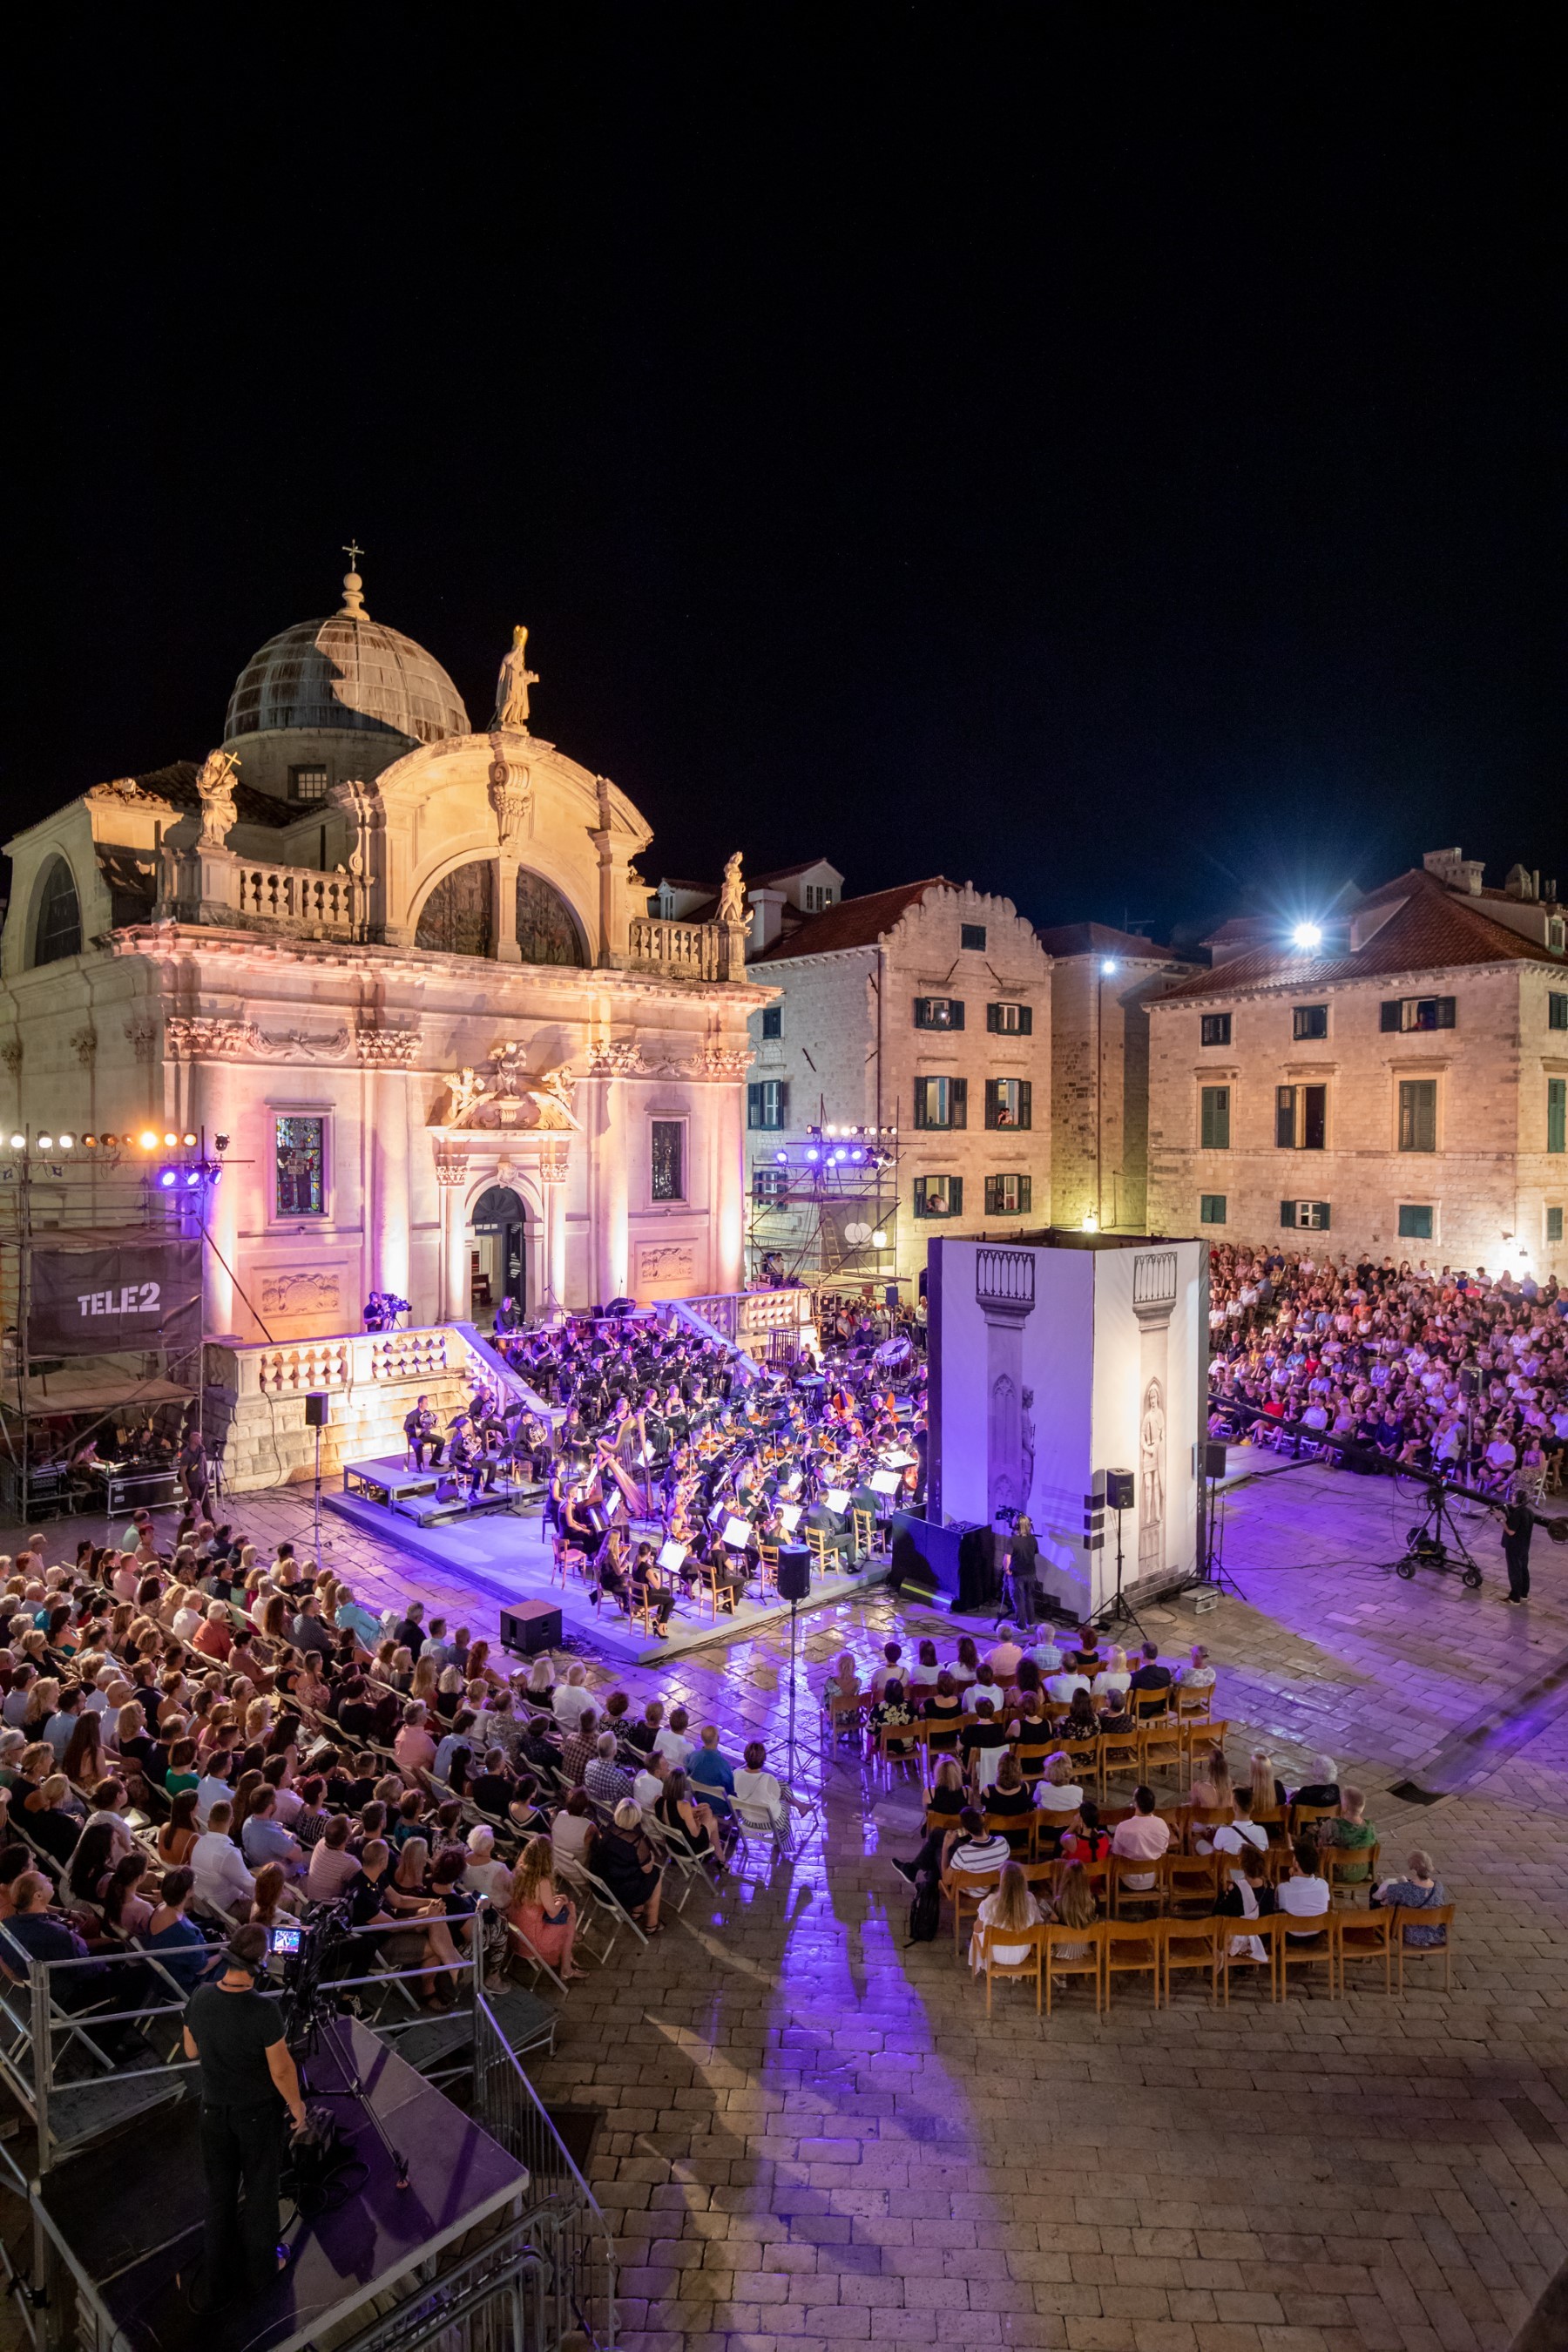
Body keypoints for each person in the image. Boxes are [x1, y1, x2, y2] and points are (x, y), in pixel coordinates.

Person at [182, 1923, 308, 2304]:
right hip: (255, 2115)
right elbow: (282, 2070)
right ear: (261, 1962)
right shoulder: (264, 2010)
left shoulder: (200, 1998)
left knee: (219, 2195)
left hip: (212, 2110)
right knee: (260, 2193)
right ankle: (263, 2271)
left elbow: (191, 2051)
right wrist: (298, 2108)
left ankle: (215, 2279)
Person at [508, 1835, 582, 1979]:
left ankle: (571, 1946)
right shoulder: (542, 1881)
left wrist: (555, 1900)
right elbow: (553, 1913)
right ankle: (566, 1969)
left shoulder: (518, 1870)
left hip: (517, 1929)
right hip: (534, 1937)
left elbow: (533, 1899)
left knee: (566, 1909)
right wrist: (561, 1900)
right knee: (570, 1912)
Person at [970, 1859, 1044, 1975]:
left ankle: (978, 1966)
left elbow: (977, 1928)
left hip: (995, 1955)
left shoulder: (990, 1902)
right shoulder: (1030, 1900)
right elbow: (1038, 1923)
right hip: (1021, 1954)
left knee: (977, 1930)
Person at [1372, 1848, 1450, 1947]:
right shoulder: (1439, 1886)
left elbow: (1379, 1897)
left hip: (1410, 1935)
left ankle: (1379, 1933)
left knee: (1377, 1893)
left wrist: (1380, 1883)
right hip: (1434, 1934)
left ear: (1413, 1871)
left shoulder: (1403, 1889)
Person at [1111, 1784, 1169, 1894]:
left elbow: (1116, 1853)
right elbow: (1163, 1851)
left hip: (1129, 1878)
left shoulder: (1123, 1827)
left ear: (1135, 1804)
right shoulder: (1162, 1825)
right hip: (1153, 1876)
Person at [1320, 1787, 1378, 1883]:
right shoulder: (1370, 1827)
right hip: (1362, 1873)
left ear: (1345, 1807)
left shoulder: (1333, 1825)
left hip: (1337, 1873)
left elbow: (1322, 1845)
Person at [1274, 1839, 1331, 1936]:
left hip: (1292, 1934)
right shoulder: (1324, 1885)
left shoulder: (1283, 1889)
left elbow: (1279, 1909)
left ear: (1296, 1864)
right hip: (1317, 1932)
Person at [1503, 1487, 1539, 1604]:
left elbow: (1511, 1532)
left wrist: (1501, 1521)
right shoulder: (1529, 1512)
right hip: (1524, 1546)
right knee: (1523, 1569)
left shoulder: (1518, 1514)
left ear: (1517, 1499)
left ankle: (1514, 1598)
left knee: (1514, 1571)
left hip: (1514, 1546)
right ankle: (1524, 1594)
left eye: (1513, 1495)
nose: (1511, 1497)